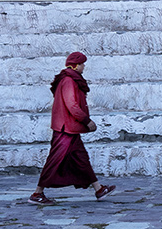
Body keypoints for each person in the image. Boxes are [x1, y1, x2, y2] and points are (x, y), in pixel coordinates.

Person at [30, 51, 115, 205]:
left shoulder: (68, 79)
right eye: (82, 64)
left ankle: (99, 189)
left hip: (70, 128)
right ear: (76, 65)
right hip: (65, 129)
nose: (84, 67)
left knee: (82, 159)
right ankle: (37, 194)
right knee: (54, 160)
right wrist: (86, 121)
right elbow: (72, 105)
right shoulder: (69, 80)